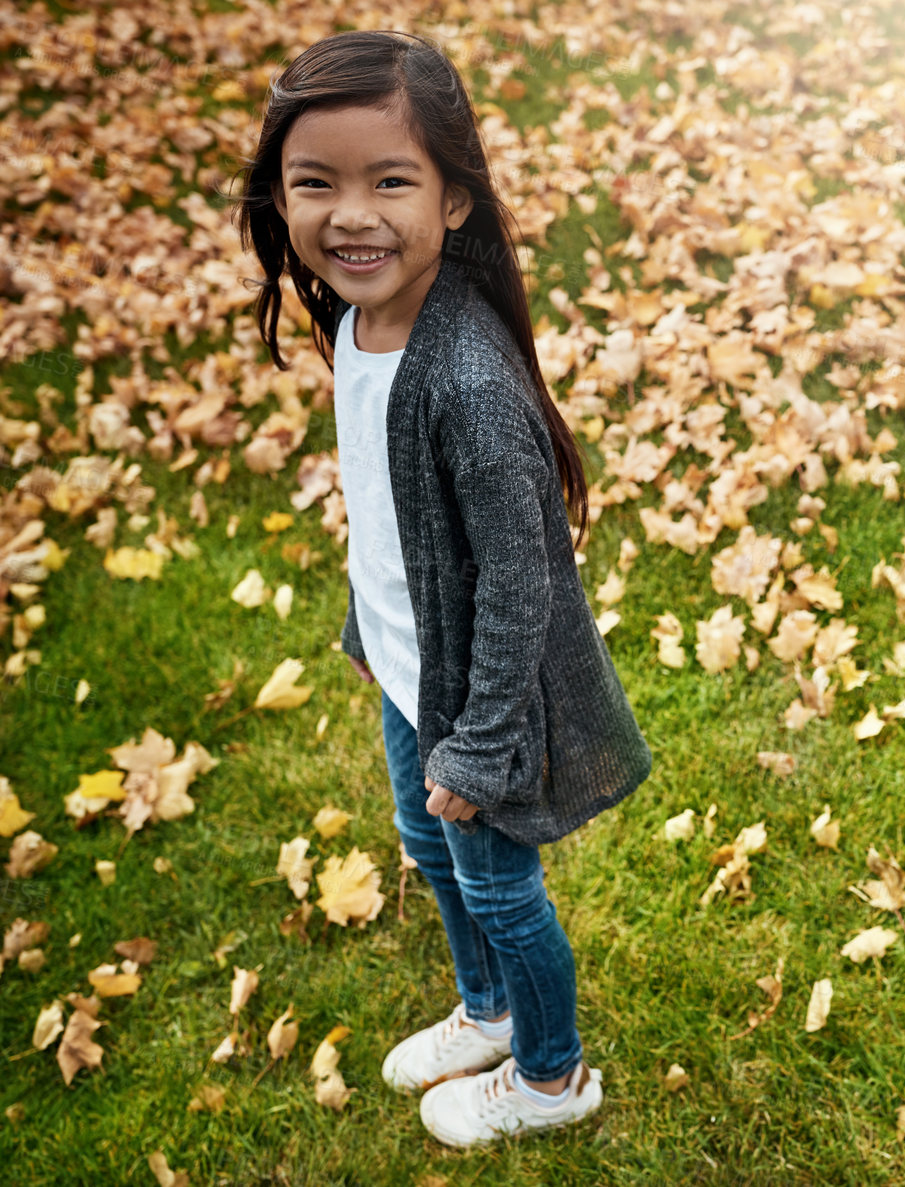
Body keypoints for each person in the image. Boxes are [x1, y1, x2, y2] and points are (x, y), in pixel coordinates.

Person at [233, 29, 653, 1148]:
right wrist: (368, 627)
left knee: (504, 885)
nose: (350, 213)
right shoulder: (364, 324)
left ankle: (553, 1074)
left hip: (476, 695)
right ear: (278, 200)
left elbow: (522, 580)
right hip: (407, 664)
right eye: (313, 183)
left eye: (391, 181)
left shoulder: (465, 379)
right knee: (426, 849)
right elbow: (388, 514)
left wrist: (479, 742)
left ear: (455, 202)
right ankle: (490, 1008)